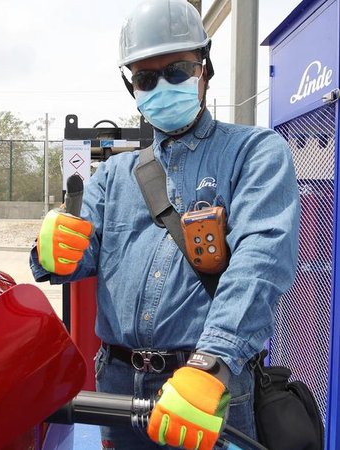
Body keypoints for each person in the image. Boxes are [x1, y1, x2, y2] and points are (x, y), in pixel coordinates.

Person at [31, 1, 302, 449]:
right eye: (146, 78)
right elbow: (73, 261)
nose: (162, 85)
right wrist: (48, 252)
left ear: (204, 70)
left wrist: (211, 364)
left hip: (206, 388)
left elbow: (262, 258)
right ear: (131, 86)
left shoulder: (254, 153)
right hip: (118, 384)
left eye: (177, 70)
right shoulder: (115, 175)